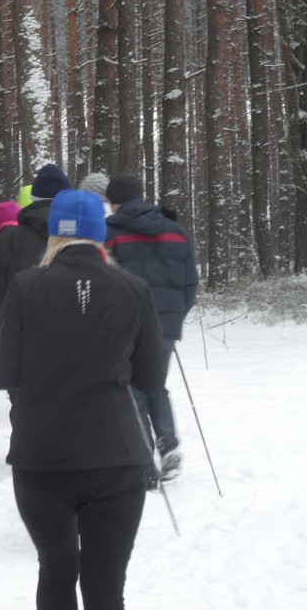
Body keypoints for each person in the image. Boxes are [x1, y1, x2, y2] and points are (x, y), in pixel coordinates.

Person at [0, 189, 164, 610]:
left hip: (42, 457)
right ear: (99, 234)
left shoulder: (27, 285)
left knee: (56, 571)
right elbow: (151, 379)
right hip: (116, 457)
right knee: (106, 588)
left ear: (53, 234)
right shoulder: (132, 288)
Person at [105, 173, 199, 488]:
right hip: (166, 325)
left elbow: (108, 279)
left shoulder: (111, 232)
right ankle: (168, 445)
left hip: (127, 323)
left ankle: (143, 459)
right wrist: (174, 318)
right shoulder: (176, 231)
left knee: (132, 389)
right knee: (154, 384)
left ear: (115, 202)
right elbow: (190, 283)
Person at [0, 163, 72, 336]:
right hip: (76, 348)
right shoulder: (85, 237)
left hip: (19, 346)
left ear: (32, 198)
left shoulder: (7, 241)